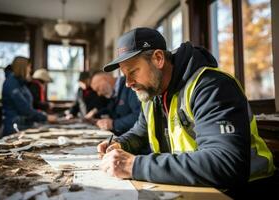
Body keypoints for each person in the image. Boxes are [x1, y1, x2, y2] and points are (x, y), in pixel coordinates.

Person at [97, 28, 277, 198]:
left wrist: (134, 165)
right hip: (194, 188)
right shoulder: (152, 94)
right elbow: (139, 133)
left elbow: (225, 163)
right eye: (124, 75)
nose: (128, 83)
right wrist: (120, 144)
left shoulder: (211, 86)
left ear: (158, 58)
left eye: (133, 71)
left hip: (242, 190)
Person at [2, 56, 57, 136]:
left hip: (23, 125)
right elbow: (24, 108)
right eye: (29, 67)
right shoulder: (11, 83)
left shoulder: (21, 83)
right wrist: (45, 117)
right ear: (23, 67)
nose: (30, 70)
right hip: (14, 128)